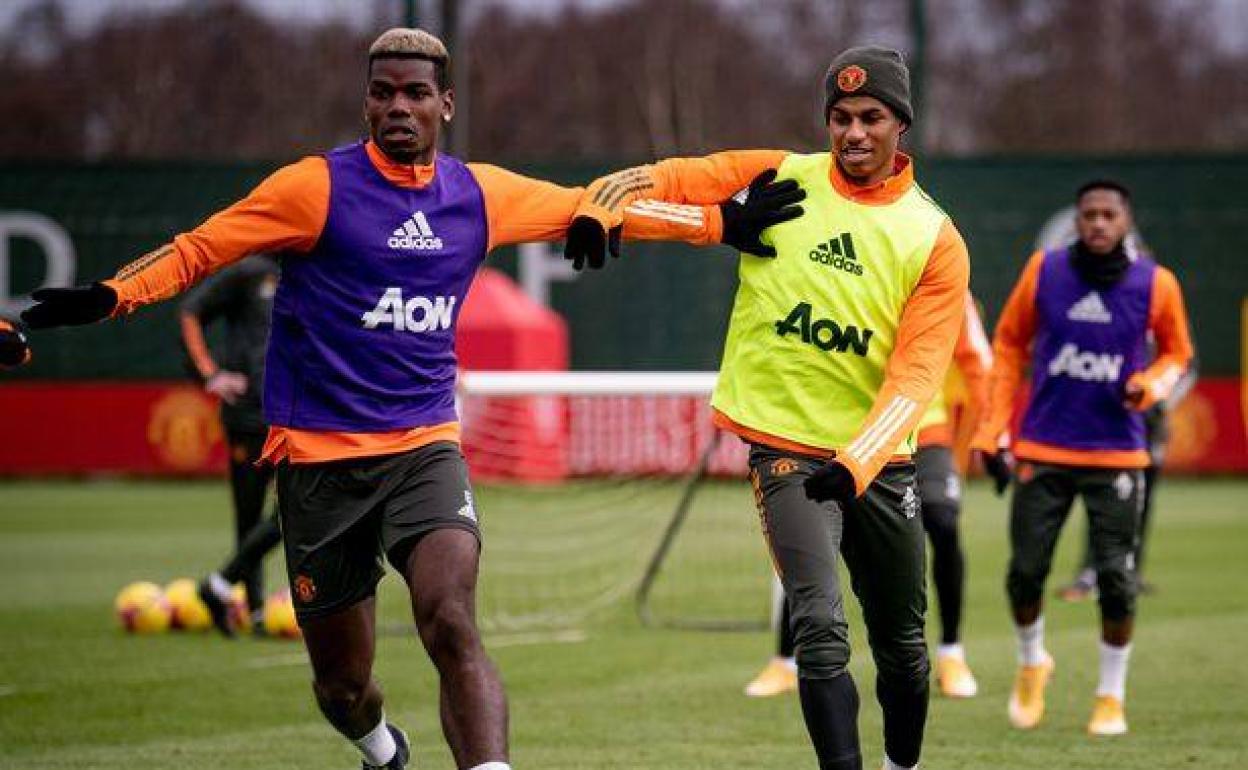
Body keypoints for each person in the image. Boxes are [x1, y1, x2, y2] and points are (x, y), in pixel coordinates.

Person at [21, 27, 771, 770]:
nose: (398, 108)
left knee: (450, 621)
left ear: (445, 104)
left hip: (423, 450)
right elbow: (196, 251)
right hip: (317, 465)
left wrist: (722, 221)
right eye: (383, 94)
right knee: (342, 688)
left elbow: (604, 200)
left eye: (416, 94)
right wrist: (111, 295)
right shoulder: (311, 189)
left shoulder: (478, 195)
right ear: (366, 104)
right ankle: (382, 752)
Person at [567, 45, 970, 770]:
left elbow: (915, 377)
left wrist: (859, 461)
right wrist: (604, 208)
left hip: (878, 462)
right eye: (840, 117)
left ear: (900, 125)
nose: (852, 132)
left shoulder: (934, 238)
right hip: (784, 450)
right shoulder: (778, 175)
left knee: (905, 652)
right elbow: (665, 178)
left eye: (870, 117)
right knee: (818, 627)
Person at [972, 179, 1193, 736]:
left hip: (1118, 452)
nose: (1097, 223)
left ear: (1126, 223)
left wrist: (1152, 384)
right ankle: (1031, 663)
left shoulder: (1156, 283)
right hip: (1045, 446)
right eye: (1088, 215)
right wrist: (994, 426)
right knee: (1024, 574)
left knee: (1116, 581)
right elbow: (1008, 345)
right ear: (1077, 221)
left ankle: (1110, 696)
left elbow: (1178, 353)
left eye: (1108, 215)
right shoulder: (1044, 271)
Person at [743, 294, 991, 702]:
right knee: (814, 535)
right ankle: (785, 660)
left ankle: (951, 652)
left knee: (944, 521)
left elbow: (979, 366)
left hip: (922, 432)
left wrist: (968, 450)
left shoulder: (942, 275)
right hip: (843, 429)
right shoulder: (847, 269)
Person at [177, 254, 284, 636]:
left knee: (294, 511)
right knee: (249, 515)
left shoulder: (315, 268)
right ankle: (254, 614)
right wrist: (209, 374)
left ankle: (218, 586)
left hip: (298, 413)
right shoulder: (251, 272)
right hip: (249, 415)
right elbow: (190, 312)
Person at [1057, 355, 1197, 601]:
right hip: (1115, 428)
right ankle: (1090, 572)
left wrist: (1158, 399)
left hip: (1150, 430)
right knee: (1104, 499)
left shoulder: (1164, 327)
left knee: (1141, 503)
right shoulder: (1123, 323)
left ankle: (1131, 570)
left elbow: (1186, 367)